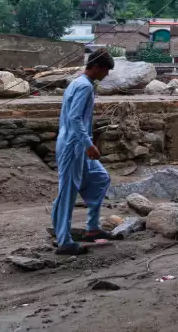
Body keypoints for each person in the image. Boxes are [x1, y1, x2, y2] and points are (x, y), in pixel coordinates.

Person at [50, 48, 117, 255]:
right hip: (73, 145)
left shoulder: (78, 83)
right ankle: (64, 241)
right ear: (96, 67)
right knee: (67, 192)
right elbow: (75, 117)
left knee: (100, 177)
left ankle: (92, 228)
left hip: (77, 144)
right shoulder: (84, 86)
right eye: (105, 70)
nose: (106, 74)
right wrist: (89, 144)